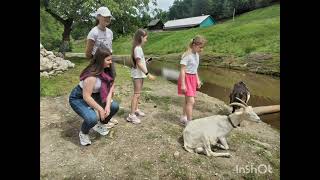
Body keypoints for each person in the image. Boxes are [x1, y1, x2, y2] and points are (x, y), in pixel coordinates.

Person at [69, 48, 119, 146]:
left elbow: (110, 91)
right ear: (100, 60)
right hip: (79, 97)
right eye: (108, 60)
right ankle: (83, 133)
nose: (111, 62)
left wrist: (107, 105)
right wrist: (100, 109)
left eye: (111, 59)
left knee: (114, 107)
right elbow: (86, 97)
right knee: (92, 118)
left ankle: (101, 125)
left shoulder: (108, 71)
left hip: (96, 95)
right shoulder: (91, 76)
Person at [84, 6, 118, 127]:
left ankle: (107, 114)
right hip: (97, 63)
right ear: (98, 17)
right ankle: (97, 110)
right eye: (105, 17)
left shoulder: (110, 32)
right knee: (97, 87)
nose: (107, 19)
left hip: (108, 61)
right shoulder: (93, 32)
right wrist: (96, 63)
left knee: (110, 84)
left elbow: (110, 48)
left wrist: (109, 61)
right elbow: (87, 53)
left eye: (109, 17)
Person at [126, 29, 156, 124]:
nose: (146, 40)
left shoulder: (138, 48)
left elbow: (140, 62)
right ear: (141, 37)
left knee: (138, 93)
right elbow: (138, 63)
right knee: (136, 94)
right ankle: (131, 115)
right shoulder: (137, 48)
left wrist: (146, 61)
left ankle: (136, 109)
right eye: (146, 38)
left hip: (139, 74)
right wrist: (148, 74)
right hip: (137, 75)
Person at [177, 35, 207, 126]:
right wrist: (183, 84)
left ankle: (183, 117)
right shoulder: (187, 55)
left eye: (202, 47)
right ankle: (190, 122)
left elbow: (195, 69)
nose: (201, 49)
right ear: (194, 45)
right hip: (186, 78)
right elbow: (182, 70)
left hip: (193, 78)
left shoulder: (196, 55)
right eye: (200, 47)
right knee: (191, 101)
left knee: (187, 100)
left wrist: (198, 80)